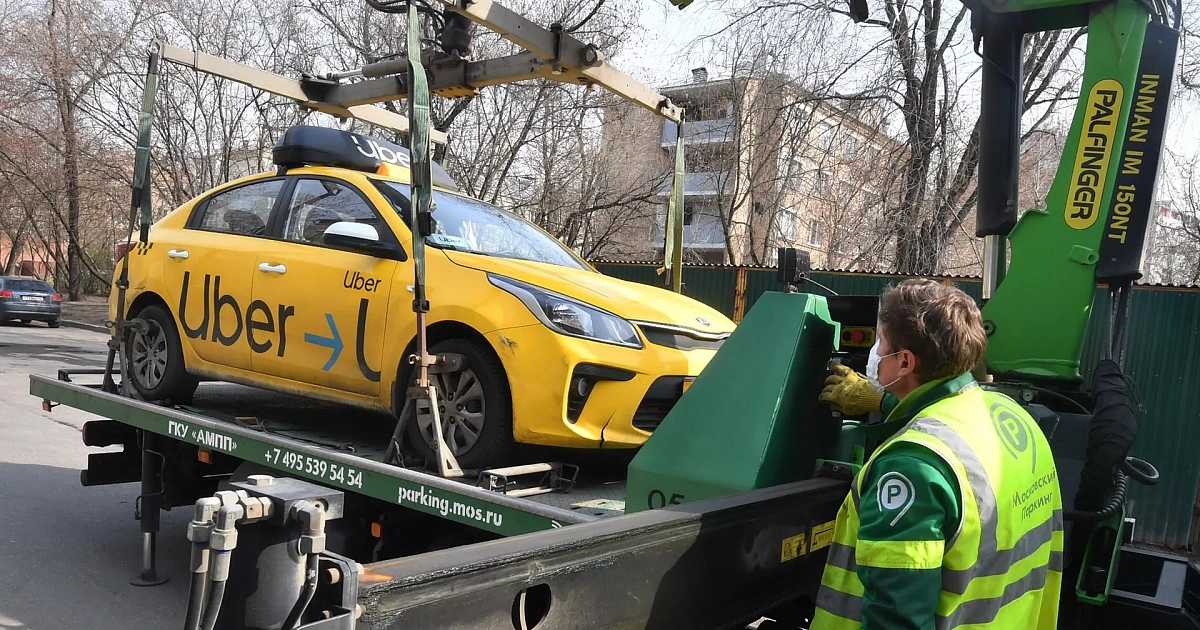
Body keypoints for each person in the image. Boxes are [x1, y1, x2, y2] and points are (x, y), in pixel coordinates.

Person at [810, 279, 1063, 630]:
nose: (875, 352)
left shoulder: (910, 467)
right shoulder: (1012, 417)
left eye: (881, 343)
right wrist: (883, 400)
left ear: (904, 363)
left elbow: (897, 620)